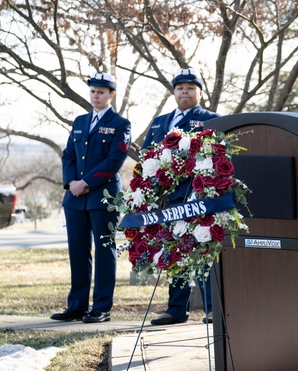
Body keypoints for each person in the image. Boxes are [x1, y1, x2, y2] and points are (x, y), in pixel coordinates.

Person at [142, 68, 221, 326]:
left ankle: (212, 309)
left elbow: (218, 156)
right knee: (174, 251)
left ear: (200, 92)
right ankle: (176, 309)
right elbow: (146, 156)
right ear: (174, 92)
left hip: (198, 195)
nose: (184, 91)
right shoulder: (159, 121)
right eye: (179, 88)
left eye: (190, 87)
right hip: (169, 199)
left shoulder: (211, 119)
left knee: (201, 250)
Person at [52, 72, 131, 323]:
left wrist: (86, 182)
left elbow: (114, 160)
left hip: (103, 195)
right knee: (78, 250)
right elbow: (69, 156)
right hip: (74, 197)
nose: (95, 96)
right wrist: (72, 183)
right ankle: (76, 307)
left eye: (101, 92)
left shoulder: (121, 124)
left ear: (111, 95)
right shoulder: (79, 121)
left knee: (104, 250)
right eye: (93, 92)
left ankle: (101, 308)